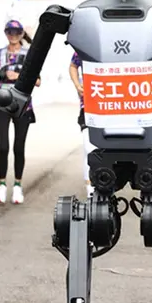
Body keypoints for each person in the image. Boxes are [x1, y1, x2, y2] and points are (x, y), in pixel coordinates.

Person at [0, 20, 38, 204]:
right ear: (5, 33)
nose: (13, 35)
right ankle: (2, 185)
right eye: (10, 32)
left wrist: (18, 76)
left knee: (19, 147)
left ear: (21, 34)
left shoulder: (29, 54)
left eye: (17, 32)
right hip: (2, 101)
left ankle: (17, 185)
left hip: (22, 102)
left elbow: (38, 81)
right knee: (3, 146)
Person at [69, 50, 95, 197]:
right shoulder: (85, 45)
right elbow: (73, 65)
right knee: (89, 147)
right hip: (89, 105)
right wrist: (78, 85)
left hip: (114, 104)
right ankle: (89, 186)